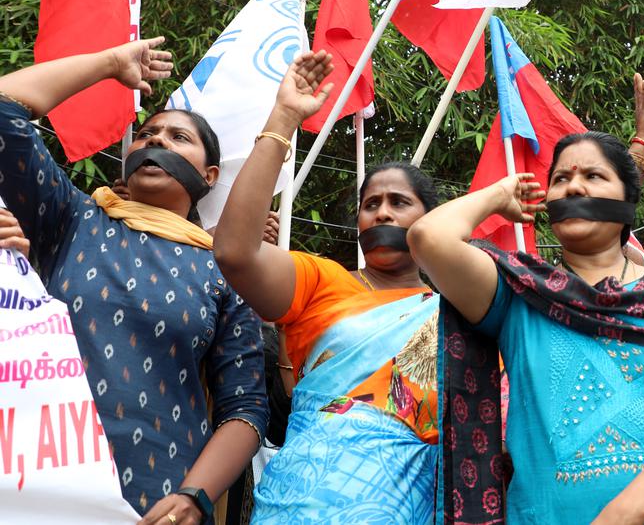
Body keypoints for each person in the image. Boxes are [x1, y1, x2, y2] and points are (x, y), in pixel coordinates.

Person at [408, 130, 644, 524]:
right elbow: (428, 237)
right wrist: (500, 195)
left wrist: (623, 514)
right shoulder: (521, 294)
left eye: (594, 176)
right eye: (560, 179)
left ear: (627, 201)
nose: (573, 187)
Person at [0, 39, 268, 525]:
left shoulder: (227, 269)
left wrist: (194, 497)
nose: (157, 141)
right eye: (146, 134)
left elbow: (245, 410)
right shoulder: (72, 219)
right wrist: (107, 63)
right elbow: (3, 111)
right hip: (36, 482)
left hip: (159, 499)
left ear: (207, 175)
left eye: (177, 137)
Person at [211, 51, 442, 523]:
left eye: (400, 203)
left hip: (410, 505)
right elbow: (235, 252)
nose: (382, 213)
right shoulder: (321, 279)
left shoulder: (459, 311)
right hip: (302, 503)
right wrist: (284, 118)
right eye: (371, 203)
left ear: (431, 220)